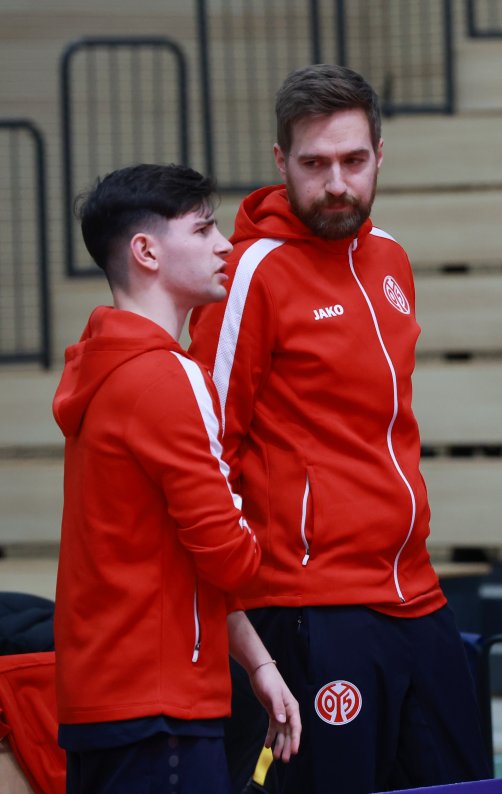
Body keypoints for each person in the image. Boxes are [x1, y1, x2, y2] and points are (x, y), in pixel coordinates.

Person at [189, 65, 489, 792]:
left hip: (416, 590)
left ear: (379, 155)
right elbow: (205, 447)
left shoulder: (389, 257)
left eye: (354, 162)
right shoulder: (251, 273)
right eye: (314, 163)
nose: (336, 184)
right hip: (307, 605)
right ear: (280, 162)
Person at [53, 163, 300, 792]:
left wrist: (258, 662)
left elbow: (185, 557)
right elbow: (231, 560)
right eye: (204, 228)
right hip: (159, 706)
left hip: (101, 703)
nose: (225, 245)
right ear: (146, 251)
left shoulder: (104, 368)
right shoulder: (169, 376)